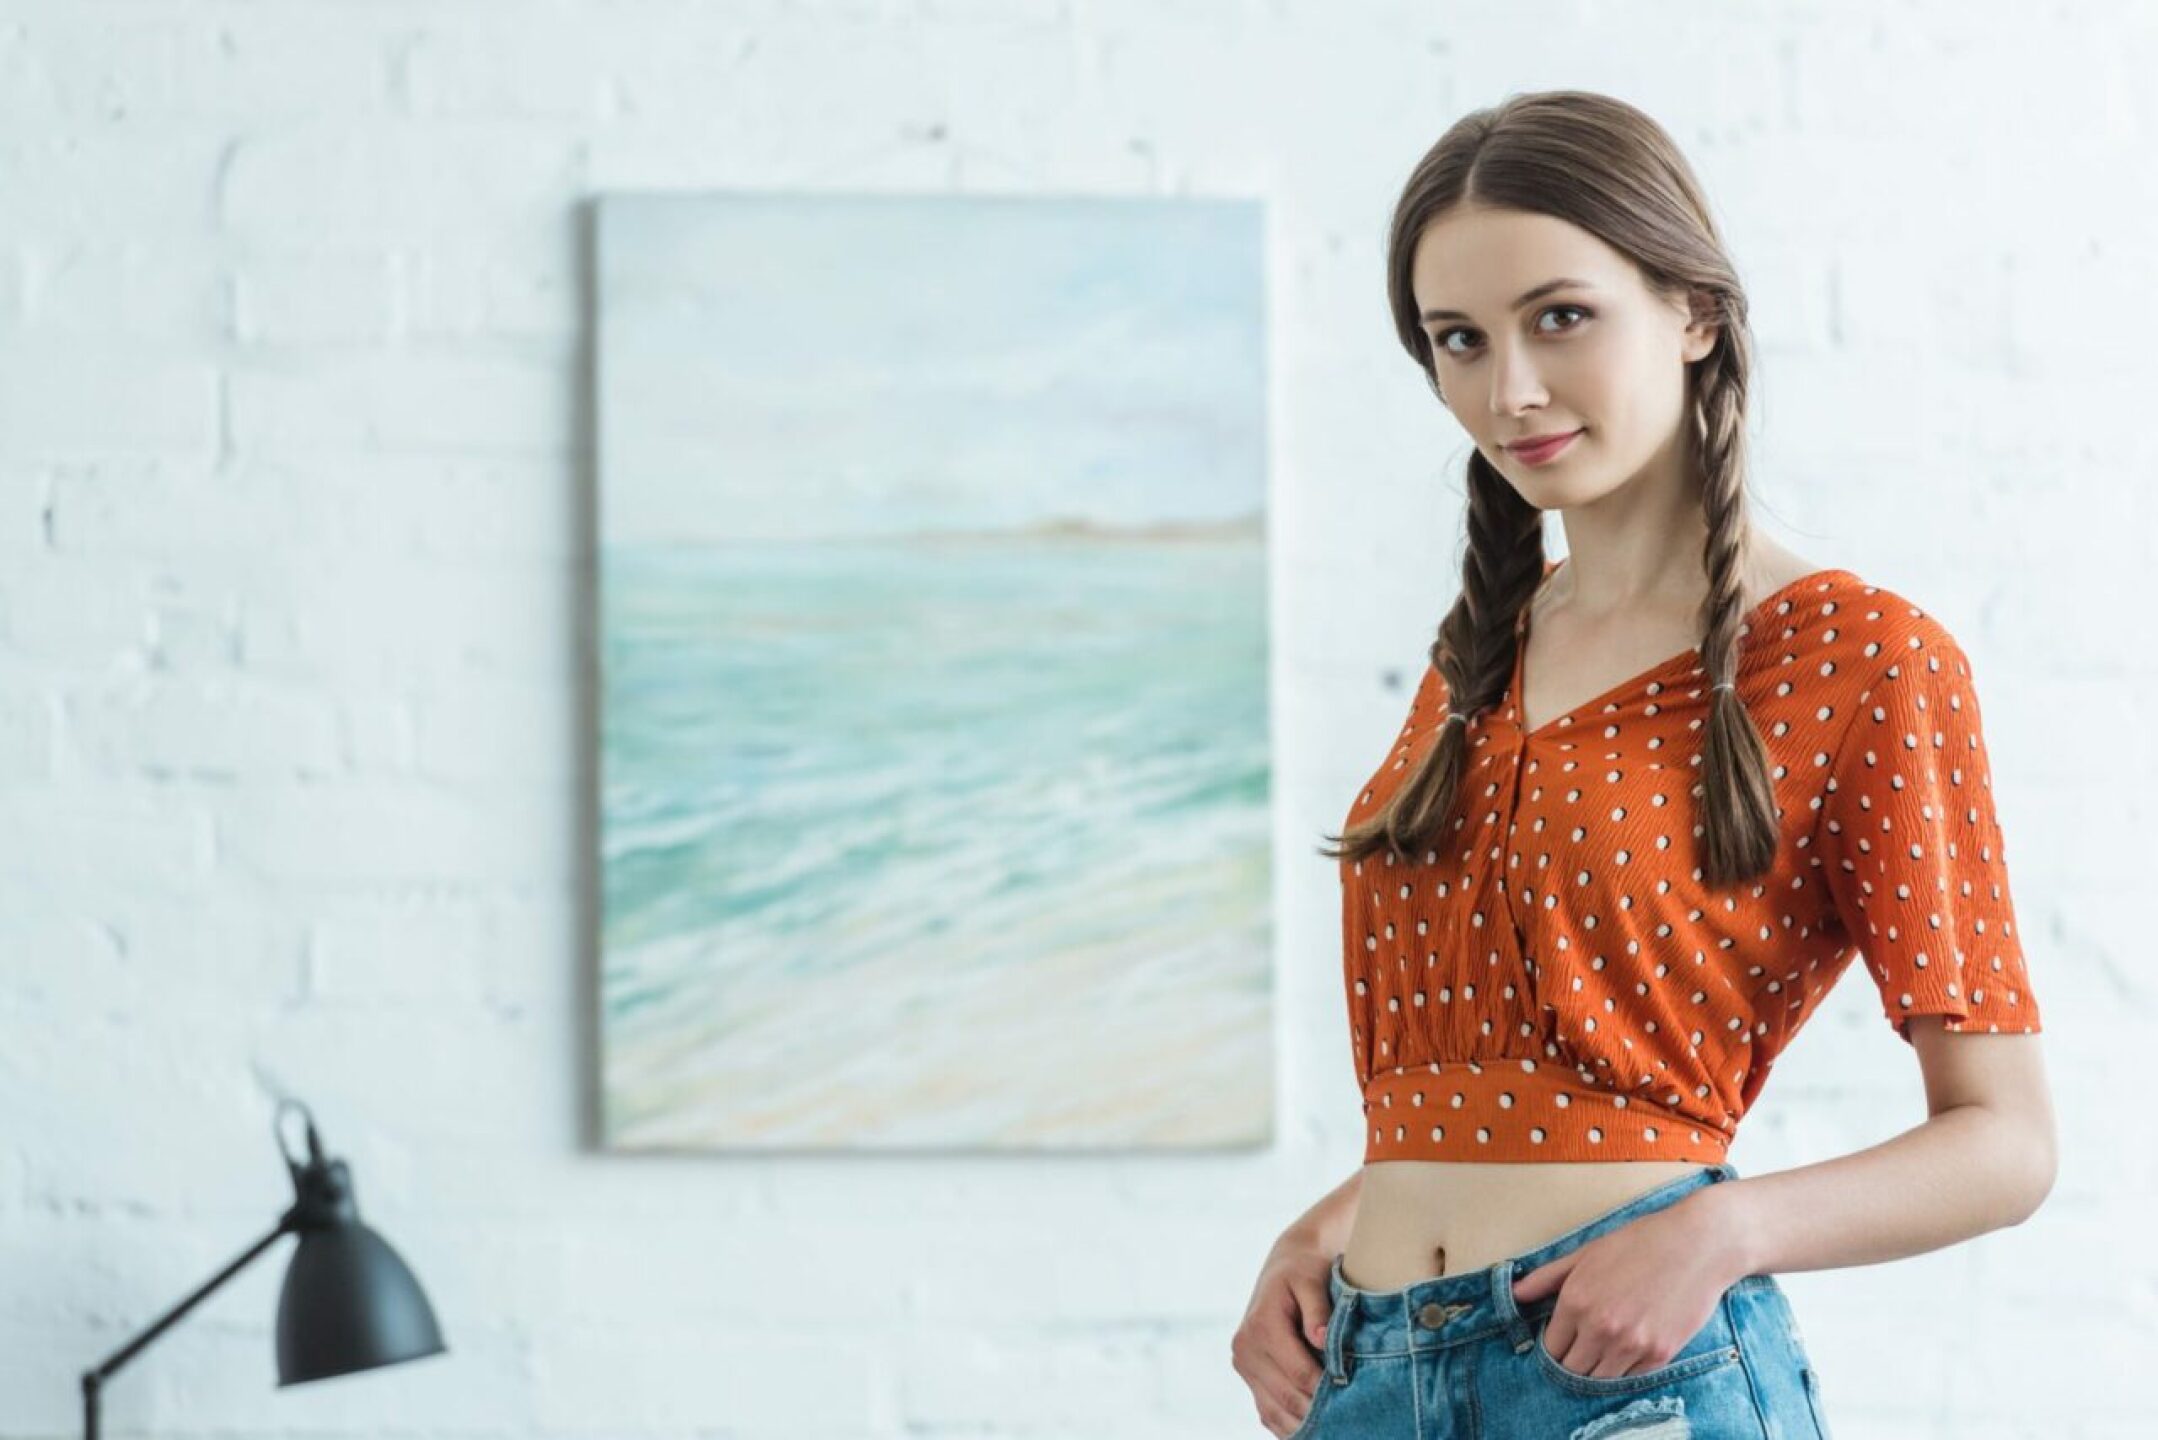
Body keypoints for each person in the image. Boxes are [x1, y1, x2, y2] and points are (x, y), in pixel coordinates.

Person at [1231, 90, 2057, 1439]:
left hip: (1629, 1380)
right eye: (1459, 339)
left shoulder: (1856, 656)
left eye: (1559, 317)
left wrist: (1724, 1233)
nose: (1508, 390)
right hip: (1371, 1375)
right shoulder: (1478, 656)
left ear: (1690, 311)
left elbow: (2005, 1144)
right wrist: (1328, 1229)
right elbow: (1498, 1083)